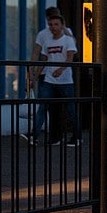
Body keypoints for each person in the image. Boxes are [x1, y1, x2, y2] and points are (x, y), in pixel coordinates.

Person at [22, 13, 82, 146]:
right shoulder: (47, 42)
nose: (53, 27)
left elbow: (70, 58)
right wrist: (35, 77)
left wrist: (60, 70)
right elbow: (43, 60)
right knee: (42, 107)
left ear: (62, 26)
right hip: (49, 80)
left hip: (65, 81)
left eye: (56, 24)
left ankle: (77, 136)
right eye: (51, 25)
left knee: (70, 109)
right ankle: (34, 135)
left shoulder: (68, 40)